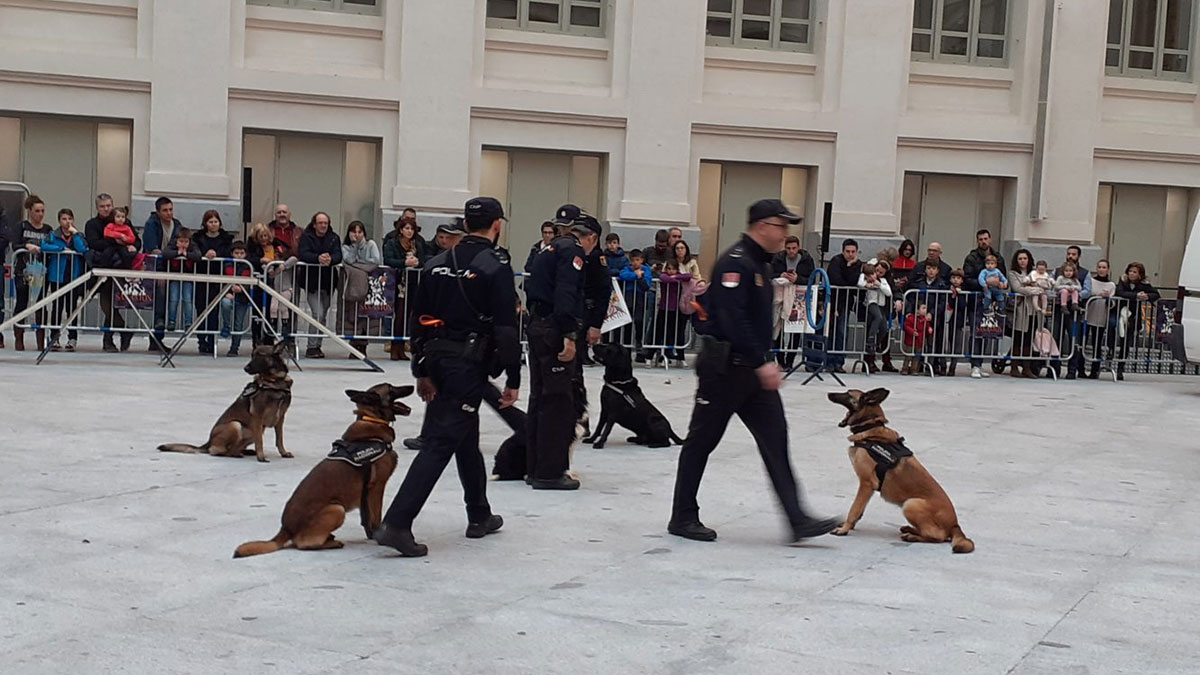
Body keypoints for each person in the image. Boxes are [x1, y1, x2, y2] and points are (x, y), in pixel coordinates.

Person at [668, 198, 838, 545]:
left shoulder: (759, 263)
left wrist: (762, 362)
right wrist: (762, 362)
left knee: (776, 440)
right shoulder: (737, 263)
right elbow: (733, 320)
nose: (786, 234)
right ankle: (683, 516)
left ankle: (797, 518)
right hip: (726, 370)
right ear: (763, 226)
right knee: (701, 442)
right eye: (782, 226)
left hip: (753, 372)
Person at [374, 197, 521, 558]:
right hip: (466, 364)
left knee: (465, 437)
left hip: (437, 359)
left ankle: (479, 514)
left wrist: (421, 369)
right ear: (497, 225)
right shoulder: (495, 265)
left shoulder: (437, 263)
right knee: (440, 442)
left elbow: (418, 319)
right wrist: (514, 377)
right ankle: (397, 522)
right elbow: (505, 327)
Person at [523, 207, 598, 490]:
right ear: (588, 237)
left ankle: (534, 466)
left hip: (537, 325)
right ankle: (550, 472)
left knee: (539, 399)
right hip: (554, 328)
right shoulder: (572, 251)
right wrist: (569, 334)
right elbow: (566, 293)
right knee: (557, 402)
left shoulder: (547, 249)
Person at [84, 193, 136, 352]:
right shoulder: (92, 224)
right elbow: (94, 243)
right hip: (102, 267)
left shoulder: (123, 220)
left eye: (108, 205)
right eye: (102, 206)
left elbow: (135, 239)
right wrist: (116, 240)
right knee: (106, 305)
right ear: (97, 208)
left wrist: (132, 246)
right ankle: (123, 330)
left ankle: (109, 340)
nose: (106, 209)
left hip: (119, 268)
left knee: (111, 304)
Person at [297, 211, 343, 359]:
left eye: (326, 223)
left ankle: (318, 345)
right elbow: (303, 253)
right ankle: (311, 346)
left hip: (328, 282)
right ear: (314, 224)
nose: (323, 225)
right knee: (317, 313)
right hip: (311, 282)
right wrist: (318, 258)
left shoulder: (334, 238)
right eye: (320, 223)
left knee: (323, 316)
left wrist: (331, 259)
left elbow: (338, 255)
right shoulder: (306, 236)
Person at [10, 195, 54, 351]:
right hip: (23, 271)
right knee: (21, 303)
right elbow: (15, 245)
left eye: (42, 211)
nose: (40, 214)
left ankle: (40, 341)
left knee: (41, 305)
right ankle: (19, 338)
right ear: (29, 211)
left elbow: (52, 244)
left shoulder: (48, 229)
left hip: (41, 272)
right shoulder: (21, 226)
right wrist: (27, 245)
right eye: (37, 211)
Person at [41, 208, 88, 352]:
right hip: (57, 276)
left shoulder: (78, 235)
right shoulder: (53, 235)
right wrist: (60, 249)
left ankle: (72, 338)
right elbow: (44, 246)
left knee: (72, 308)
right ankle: (54, 337)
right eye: (64, 219)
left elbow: (82, 249)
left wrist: (75, 235)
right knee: (57, 307)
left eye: (69, 219)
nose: (67, 222)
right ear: (59, 221)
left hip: (73, 275)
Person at [382, 214, 425, 360]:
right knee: (398, 316)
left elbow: (424, 259)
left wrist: (417, 262)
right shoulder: (392, 243)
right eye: (407, 228)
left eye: (412, 229)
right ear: (401, 230)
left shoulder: (417, 244)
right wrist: (404, 263)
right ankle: (395, 347)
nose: (409, 231)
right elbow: (388, 259)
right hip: (396, 282)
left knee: (407, 315)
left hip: (412, 283)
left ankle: (401, 347)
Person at [193, 210, 234, 356]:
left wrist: (217, 255)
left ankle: (211, 341)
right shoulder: (197, 238)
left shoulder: (226, 239)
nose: (213, 224)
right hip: (202, 276)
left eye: (215, 221)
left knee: (214, 312)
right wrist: (204, 255)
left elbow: (229, 253)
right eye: (210, 221)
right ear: (205, 223)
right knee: (200, 310)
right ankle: (201, 341)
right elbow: (195, 251)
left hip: (218, 278)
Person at [143, 197, 182, 350]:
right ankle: (157, 335)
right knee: (160, 296)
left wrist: (168, 253)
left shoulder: (177, 225)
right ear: (158, 212)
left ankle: (158, 338)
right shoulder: (151, 225)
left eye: (171, 209)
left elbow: (177, 246)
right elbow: (153, 249)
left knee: (169, 299)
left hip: (171, 268)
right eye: (165, 210)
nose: (169, 213)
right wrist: (160, 270)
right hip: (155, 268)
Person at [770, 235, 815, 370]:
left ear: (798, 247)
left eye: (794, 248)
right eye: (788, 248)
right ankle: (780, 360)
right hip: (780, 297)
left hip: (798, 297)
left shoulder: (807, 260)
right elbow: (770, 274)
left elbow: (812, 278)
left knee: (795, 330)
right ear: (785, 248)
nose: (791, 251)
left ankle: (790, 360)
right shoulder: (778, 258)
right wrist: (780, 275)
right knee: (778, 329)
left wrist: (798, 279)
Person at [340, 220, 382, 356]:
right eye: (354, 232)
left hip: (369, 284)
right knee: (352, 314)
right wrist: (356, 247)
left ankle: (363, 345)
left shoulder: (371, 244)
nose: (357, 235)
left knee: (366, 314)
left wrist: (358, 265)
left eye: (360, 232)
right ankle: (354, 344)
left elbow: (375, 261)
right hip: (353, 285)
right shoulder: (346, 246)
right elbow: (349, 260)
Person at [1114, 262, 1160, 381]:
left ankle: (1120, 367)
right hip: (1121, 313)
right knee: (1114, 337)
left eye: (1134, 272)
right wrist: (1136, 296)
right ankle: (1109, 357)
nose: (1131, 274)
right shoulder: (1123, 281)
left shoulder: (1144, 284)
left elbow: (1156, 294)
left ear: (1140, 274)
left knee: (1126, 342)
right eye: (1130, 271)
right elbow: (1120, 292)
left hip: (1133, 317)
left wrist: (1147, 296)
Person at [825, 239, 863, 373]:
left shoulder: (857, 264)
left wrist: (851, 267)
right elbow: (836, 280)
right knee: (832, 331)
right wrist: (847, 268)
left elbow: (854, 282)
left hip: (846, 302)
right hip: (833, 301)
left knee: (842, 331)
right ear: (843, 251)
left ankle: (839, 362)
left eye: (853, 252)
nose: (850, 254)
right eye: (848, 251)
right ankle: (829, 361)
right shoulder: (836, 261)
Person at [1007, 249, 1041, 379]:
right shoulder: (1013, 273)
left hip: (1033, 309)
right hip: (1021, 310)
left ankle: (1027, 368)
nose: (1022, 261)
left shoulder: (1034, 273)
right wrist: (1034, 290)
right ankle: (1014, 367)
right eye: (1020, 259)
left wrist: (1034, 289)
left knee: (1028, 339)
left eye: (1025, 258)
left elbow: (1042, 285)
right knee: (1018, 338)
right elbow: (1018, 288)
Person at [1085, 259, 1118, 380]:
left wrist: (1108, 298)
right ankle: (1081, 369)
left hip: (1101, 317)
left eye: (1104, 267)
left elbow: (1114, 303)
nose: (1101, 269)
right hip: (1088, 315)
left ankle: (1094, 370)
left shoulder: (1111, 285)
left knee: (1097, 344)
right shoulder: (1091, 281)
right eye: (1099, 267)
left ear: (1108, 269)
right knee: (1082, 342)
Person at [656, 259, 692, 366]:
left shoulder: (679, 276)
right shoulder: (663, 276)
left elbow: (688, 276)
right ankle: (663, 356)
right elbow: (663, 278)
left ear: (677, 269)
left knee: (678, 333)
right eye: (669, 269)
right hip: (664, 308)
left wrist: (675, 277)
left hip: (677, 309)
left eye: (673, 269)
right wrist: (674, 279)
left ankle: (680, 357)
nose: (670, 271)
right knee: (663, 332)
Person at [858, 261, 893, 374]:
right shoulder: (865, 278)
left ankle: (876, 343)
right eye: (874, 272)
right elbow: (859, 283)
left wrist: (879, 285)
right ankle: (871, 339)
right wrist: (866, 284)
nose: (874, 275)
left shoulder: (883, 281)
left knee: (884, 326)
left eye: (878, 273)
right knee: (877, 317)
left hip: (881, 305)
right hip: (871, 304)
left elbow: (888, 293)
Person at [164, 227, 200, 334]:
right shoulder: (172, 246)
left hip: (188, 278)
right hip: (175, 277)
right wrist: (177, 253)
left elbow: (198, 256)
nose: (183, 244)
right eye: (181, 241)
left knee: (187, 300)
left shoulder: (193, 247)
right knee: (173, 299)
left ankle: (188, 322)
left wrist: (186, 255)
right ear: (176, 241)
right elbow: (165, 253)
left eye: (186, 242)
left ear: (190, 241)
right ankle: (171, 321)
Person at [220, 241, 253, 357]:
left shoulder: (249, 266)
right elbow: (223, 280)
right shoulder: (227, 265)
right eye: (236, 253)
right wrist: (227, 292)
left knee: (238, 324)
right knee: (225, 303)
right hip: (229, 295)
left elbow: (251, 282)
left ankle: (234, 348)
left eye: (242, 253)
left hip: (243, 298)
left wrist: (243, 289)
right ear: (232, 253)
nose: (239, 255)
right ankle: (226, 325)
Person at [619, 248, 652, 362]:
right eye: (633, 260)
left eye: (638, 260)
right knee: (628, 323)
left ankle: (639, 346)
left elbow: (647, 284)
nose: (635, 263)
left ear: (642, 260)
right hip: (628, 296)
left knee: (639, 321)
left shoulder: (646, 270)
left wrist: (640, 277)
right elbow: (623, 275)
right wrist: (636, 275)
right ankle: (626, 351)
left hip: (640, 297)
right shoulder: (627, 269)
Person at [902, 302, 934, 375]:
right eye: (923, 308)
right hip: (910, 341)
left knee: (917, 357)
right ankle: (905, 368)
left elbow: (926, 326)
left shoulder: (924, 320)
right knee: (908, 356)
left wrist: (929, 329)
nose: (925, 310)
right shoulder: (911, 318)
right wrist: (912, 331)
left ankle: (914, 369)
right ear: (917, 310)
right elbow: (906, 326)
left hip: (920, 341)